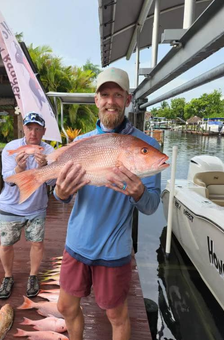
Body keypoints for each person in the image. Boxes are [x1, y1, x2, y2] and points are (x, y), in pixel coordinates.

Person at [54, 67, 161, 340]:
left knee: (116, 315)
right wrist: (61, 192)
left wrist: (138, 193)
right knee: (65, 306)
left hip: (114, 249)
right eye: (105, 94)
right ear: (96, 100)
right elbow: (60, 195)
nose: (110, 101)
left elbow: (151, 206)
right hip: (77, 242)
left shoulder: (145, 146)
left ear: (128, 99)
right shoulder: (79, 143)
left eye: (117, 94)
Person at [0, 112, 55, 299]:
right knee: (6, 244)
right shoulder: (11, 148)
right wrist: (19, 169)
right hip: (11, 206)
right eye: (30, 128)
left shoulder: (49, 151)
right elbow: (7, 178)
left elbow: (52, 183)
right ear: (24, 128)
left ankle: (33, 276)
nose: (33, 133)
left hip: (36, 207)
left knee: (37, 243)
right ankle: (7, 276)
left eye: (38, 129)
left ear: (44, 131)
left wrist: (45, 168)